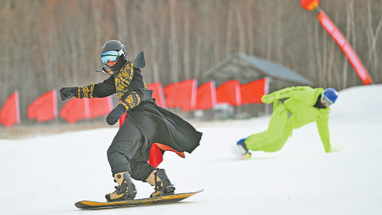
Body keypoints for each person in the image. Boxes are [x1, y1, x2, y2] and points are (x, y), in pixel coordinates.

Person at [60, 40, 202, 202]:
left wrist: (121, 108)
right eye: (105, 59)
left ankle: (125, 189)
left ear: (122, 56)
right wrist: (74, 91)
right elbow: (99, 89)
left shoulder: (132, 71)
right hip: (146, 119)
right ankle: (162, 184)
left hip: (142, 115)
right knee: (134, 164)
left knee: (116, 152)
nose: (109, 63)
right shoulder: (118, 76)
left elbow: (138, 93)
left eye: (112, 58)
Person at [236, 86, 338, 159]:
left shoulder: (323, 114)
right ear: (322, 95)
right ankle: (244, 143)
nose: (324, 103)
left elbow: (324, 131)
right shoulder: (309, 93)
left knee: (276, 146)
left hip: (289, 125)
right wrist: (273, 96)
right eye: (324, 99)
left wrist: (328, 148)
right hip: (284, 111)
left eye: (328, 103)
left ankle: (248, 148)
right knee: (274, 134)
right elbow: (290, 91)